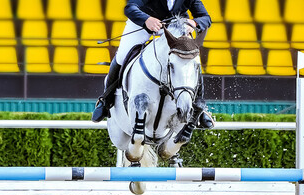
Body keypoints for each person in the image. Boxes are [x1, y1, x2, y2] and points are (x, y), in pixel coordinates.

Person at [91, 0, 214, 129]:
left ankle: (198, 107)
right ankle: (105, 100)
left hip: (174, 28)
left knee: (192, 60)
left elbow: (206, 18)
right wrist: (146, 19)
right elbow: (130, 8)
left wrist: (194, 23)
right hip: (142, 25)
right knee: (122, 56)